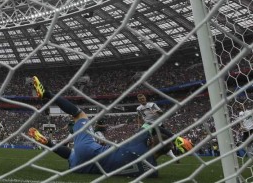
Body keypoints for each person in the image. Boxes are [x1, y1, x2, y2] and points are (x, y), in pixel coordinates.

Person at [27, 76, 192, 177]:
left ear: (150, 142)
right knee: (72, 155)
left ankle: (47, 94)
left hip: (91, 150)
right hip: (82, 168)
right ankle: (48, 142)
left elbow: (153, 125)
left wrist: (176, 137)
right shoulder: (151, 172)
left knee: (80, 115)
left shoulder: (139, 142)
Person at [136, 93, 181, 162]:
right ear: (139, 101)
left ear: (145, 98)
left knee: (165, 141)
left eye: (143, 98)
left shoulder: (152, 105)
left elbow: (161, 113)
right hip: (149, 126)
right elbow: (140, 117)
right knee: (154, 142)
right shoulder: (138, 108)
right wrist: (139, 125)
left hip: (159, 125)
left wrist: (157, 111)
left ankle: (175, 148)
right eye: (140, 99)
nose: (142, 100)